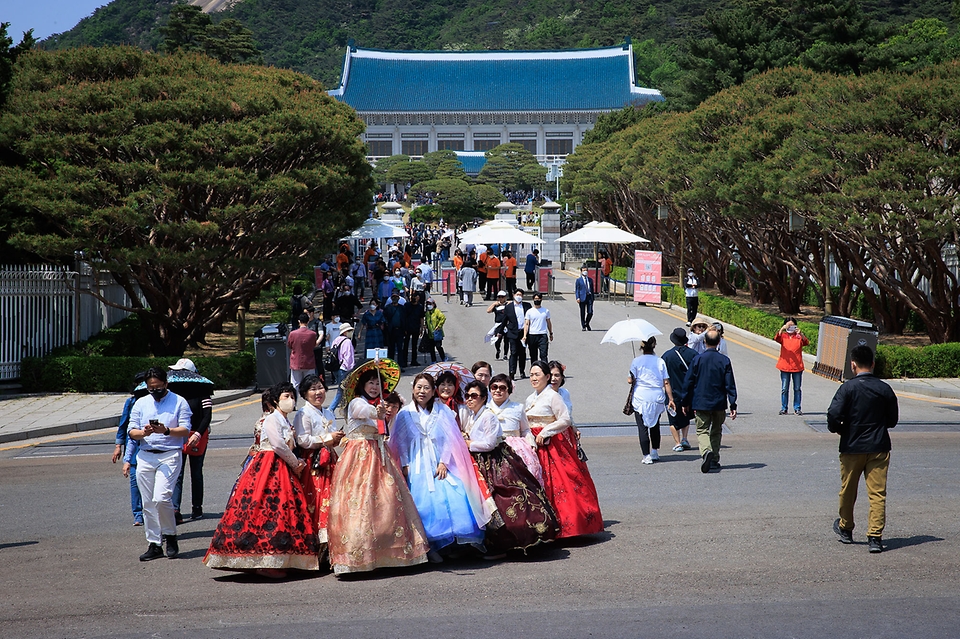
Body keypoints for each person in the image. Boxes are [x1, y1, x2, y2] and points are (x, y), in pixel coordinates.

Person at [204, 382, 319, 577]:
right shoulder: (271, 419)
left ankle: (281, 559)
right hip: (269, 466)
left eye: (292, 396)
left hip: (283, 466)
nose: (290, 400)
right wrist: (294, 463)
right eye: (285, 396)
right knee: (267, 510)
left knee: (284, 512)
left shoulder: (284, 420)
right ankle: (264, 560)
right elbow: (278, 446)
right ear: (275, 400)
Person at [327, 367, 432, 574]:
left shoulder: (376, 405)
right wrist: (380, 411)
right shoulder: (358, 402)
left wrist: (383, 411)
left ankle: (387, 554)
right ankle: (357, 556)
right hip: (359, 456)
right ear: (362, 386)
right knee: (360, 503)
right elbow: (363, 412)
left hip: (378, 453)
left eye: (378, 384)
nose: (375, 387)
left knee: (387, 502)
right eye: (371, 383)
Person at [389, 373, 495, 556]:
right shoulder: (405, 413)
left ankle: (457, 544)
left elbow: (451, 439)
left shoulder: (442, 410)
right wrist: (405, 464)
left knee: (453, 495)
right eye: (419, 387)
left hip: (440, 459)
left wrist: (444, 461)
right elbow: (401, 442)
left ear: (433, 391)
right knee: (424, 503)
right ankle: (431, 546)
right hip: (418, 461)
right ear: (413, 389)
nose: (422, 391)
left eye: (426, 388)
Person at [461, 380, 559, 556]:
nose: (469, 399)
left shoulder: (488, 415)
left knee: (504, 497)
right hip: (482, 461)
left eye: (474, 396)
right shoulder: (474, 415)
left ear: (483, 398)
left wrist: (469, 443)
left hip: (495, 462)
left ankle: (511, 541)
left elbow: (490, 443)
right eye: (467, 395)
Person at [827, 345, 899, 553]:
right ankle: (875, 537)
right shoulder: (884, 389)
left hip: (851, 446)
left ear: (853, 364)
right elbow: (892, 420)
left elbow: (833, 414)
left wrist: (839, 429)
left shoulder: (847, 388)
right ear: (873, 364)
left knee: (848, 490)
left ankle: (846, 528)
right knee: (877, 493)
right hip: (878, 446)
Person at [524, 361, 603, 538]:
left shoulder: (553, 396)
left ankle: (568, 525)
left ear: (546, 376)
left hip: (552, 445)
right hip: (535, 446)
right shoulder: (530, 398)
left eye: (537, 374)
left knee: (561, 483)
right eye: (531, 375)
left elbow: (565, 418)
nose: (534, 378)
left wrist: (545, 431)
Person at [127, 367, 192, 561]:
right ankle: (154, 543)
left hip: (169, 454)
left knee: (161, 497)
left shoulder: (179, 402)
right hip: (146, 455)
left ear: (166, 384)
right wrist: (144, 433)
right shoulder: (141, 403)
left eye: (158, 387)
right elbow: (132, 431)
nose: (154, 391)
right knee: (147, 502)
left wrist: (166, 431)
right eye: (150, 388)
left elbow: (185, 430)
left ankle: (170, 535)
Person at [293, 374, 344, 562]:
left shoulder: (328, 412)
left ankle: (332, 546)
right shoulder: (303, 414)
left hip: (330, 460)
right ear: (305, 394)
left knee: (333, 502)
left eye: (320, 388)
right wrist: (326, 438)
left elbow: (333, 441)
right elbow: (303, 440)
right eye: (313, 389)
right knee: (316, 502)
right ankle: (317, 548)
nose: (318, 392)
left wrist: (336, 439)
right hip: (314, 464)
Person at [680, 328, 737, 474]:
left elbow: (688, 382)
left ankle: (706, 452)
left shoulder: (698, 359)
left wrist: (685, 402)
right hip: (719, 402)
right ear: (719, 342)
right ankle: (714, 459)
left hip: (701, 401)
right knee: (716, 431)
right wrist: (733, 403)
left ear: (704, 342)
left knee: (702, 429)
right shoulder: (724, 360)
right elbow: (729, 384)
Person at [169, 358, 213, 523]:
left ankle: (197, 508)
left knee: (196, 472)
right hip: (179, 435)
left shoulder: (202, 391)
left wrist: (198, 434)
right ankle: (175, 509)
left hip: (197, 436)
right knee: (177, 473)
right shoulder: (172, 392)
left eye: (180, 372)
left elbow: (207, 415)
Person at [487, 373, 543, 484]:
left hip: (515, 447)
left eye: (502, 388)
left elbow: (525, 429)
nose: (498, 391)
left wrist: (530, 443)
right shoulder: (484, 407)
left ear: (509, 390)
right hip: (490, 445)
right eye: (494, 387)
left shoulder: (518, 407)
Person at [628, 337, 676, 465]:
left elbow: (630, 380)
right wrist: (671, 399)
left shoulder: (636, 361)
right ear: (654, 345)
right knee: (655, 425)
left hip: (641, 396)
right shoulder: (660, 361)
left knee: (642, 427)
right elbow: (666, 382)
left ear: (641, 347)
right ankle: (654, 451)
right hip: (657, 396)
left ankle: (646, 455)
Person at [113, 371, 146, 527]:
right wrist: (118, 446)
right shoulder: (131, 402)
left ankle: (149, 511)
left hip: (149, 447)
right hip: (133, 447)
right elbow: (123, 424)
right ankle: (138, 514)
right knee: (134, 480)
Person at [662, 328, 696, 452]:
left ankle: (677, 442)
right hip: (688, 392)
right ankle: (685, 438)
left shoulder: (667, 355)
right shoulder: (693, 354)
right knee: (685, 415)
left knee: (673, 418)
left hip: (672, 392)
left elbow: (663, 375)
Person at [775, 317, 810, 415]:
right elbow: (776, 338)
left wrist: (801, 334)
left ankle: (797, 408)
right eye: (788, 325)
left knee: (797, 388)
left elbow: (806, 342)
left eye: (792, 325)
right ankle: (784, 408)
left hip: (797, 367)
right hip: (785, 366)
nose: (790, 328)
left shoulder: (798, 337)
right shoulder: (784, 336)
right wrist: (782, 329)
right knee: (784, 388)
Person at [328, 323, 356, 413]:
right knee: (342, 391)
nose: (351, 332)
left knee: (344, 390)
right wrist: (351, 370)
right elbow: (348, 357)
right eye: (349, 331)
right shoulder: (347, 342)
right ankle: (331, 409)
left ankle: (347, 409)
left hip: (336, 368)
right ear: (345, 332)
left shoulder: (336, 340)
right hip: (344, 369)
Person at [288, 312, 322, 388]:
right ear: (308, 321)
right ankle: (309, 399)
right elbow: (314, 345)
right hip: (309, 361)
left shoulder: (293, 334)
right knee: (310, 384)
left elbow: (290, 345)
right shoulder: (312, 334)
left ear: (299, 321)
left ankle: (294, 399)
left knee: (295, 384)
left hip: (296, 362)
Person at [505, 289, 531, 380]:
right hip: (512, 333)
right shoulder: (509, 307)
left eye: (521, 295)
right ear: (513, 295)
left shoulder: (527, 306)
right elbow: (505, 320)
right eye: (517, 294)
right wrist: (498, 332)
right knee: (513, 352)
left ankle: (522, 371)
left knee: (522, 353)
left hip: (523, 333)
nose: (519, 296)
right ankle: (512, 372)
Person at [523, 292, 553, 363]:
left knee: (543, 355)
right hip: (532, 335)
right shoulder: (529, 311)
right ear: (533, 299)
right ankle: (534, 371)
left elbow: (548, 322)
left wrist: (551, 333)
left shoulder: (546, 311)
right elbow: (526, 324)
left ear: (541, 299)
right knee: (533, 355)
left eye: (538, 299)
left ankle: (545, 371)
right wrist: (524, 335)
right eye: (535, 299)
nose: (537, 300)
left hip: (542, 335)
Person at [402, 290, 425, 367]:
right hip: (407, 328)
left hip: (416, 328)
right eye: (413, 296)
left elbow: (421, 318)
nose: (414, 298)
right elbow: (403, 317)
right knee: (405, 346)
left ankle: (414, 360)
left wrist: (422, 328)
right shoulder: (407, 305)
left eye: (416, 296)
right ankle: (404, 361)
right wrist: (404, 328)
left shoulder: (420, 307)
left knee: (414, 345)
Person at [382, 292, 406, 365]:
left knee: (400, 348)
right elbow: (384, 317)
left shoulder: (402, 308)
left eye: (396, 297)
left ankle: (400, 364)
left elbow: (404, 319)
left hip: (400, 330)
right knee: (391, 348)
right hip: (391, 331)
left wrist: (405, 329)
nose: (394, 299)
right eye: (393, 298)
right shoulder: (387, 307)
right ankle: (391, 364)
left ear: (399, 298)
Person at [487, 291, 510, 362]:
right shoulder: (496, 305)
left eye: (502, 297)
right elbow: (488, 311)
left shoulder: (508, 305)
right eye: (499, 297)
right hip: (498, 325)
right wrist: (494, 304)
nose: (501, 298)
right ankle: (498, 350)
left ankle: (505, 354)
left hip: (507, 325)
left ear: (505, 297)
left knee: (506, 340)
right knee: (497, 340)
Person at [423, 298, 446, 363]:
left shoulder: (437, 311)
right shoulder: (427, 313)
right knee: (431, 348)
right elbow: (427, 321)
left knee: (438, 346)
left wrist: (439, 326)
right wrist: (425, 326)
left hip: (437, 333)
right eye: (427, 304)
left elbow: (443, 318)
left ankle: (443, 358)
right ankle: (433, 360)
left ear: (433, 304)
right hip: (430, 334)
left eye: (430, 304)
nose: (428, 305)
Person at [575, 265, 595, 331]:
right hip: (582, 297)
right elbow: (577, 289)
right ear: (581, 272)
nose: (585, 272)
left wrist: (593, 298)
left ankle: (587, 323)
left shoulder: (590, 280)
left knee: (590, 312)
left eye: (586, 270)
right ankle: (583, 326)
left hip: (589, 297)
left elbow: (592, 289)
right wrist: (577, 297)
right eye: (583, 270)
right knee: (582, 313)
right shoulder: (578, 280)